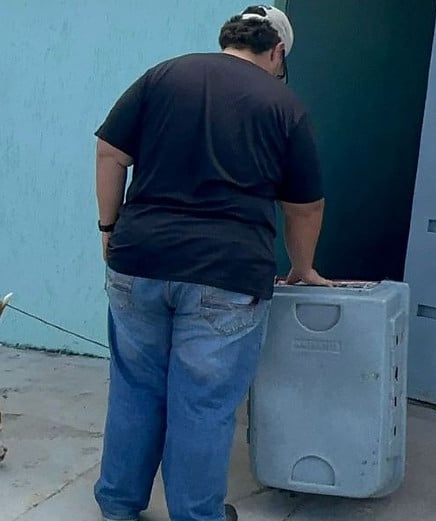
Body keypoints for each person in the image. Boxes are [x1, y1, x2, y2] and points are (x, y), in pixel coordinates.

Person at [93, 6, 331, 521]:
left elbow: (110, 152)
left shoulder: (162, 76)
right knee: (203, 402)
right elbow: (304, 206)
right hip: (227, 272)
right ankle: (196, 514)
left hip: (140, 258)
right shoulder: (284, 105)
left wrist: (108, 228)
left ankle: (118, 503)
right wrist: (302, 267)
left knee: (135, 387)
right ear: (277, 51)